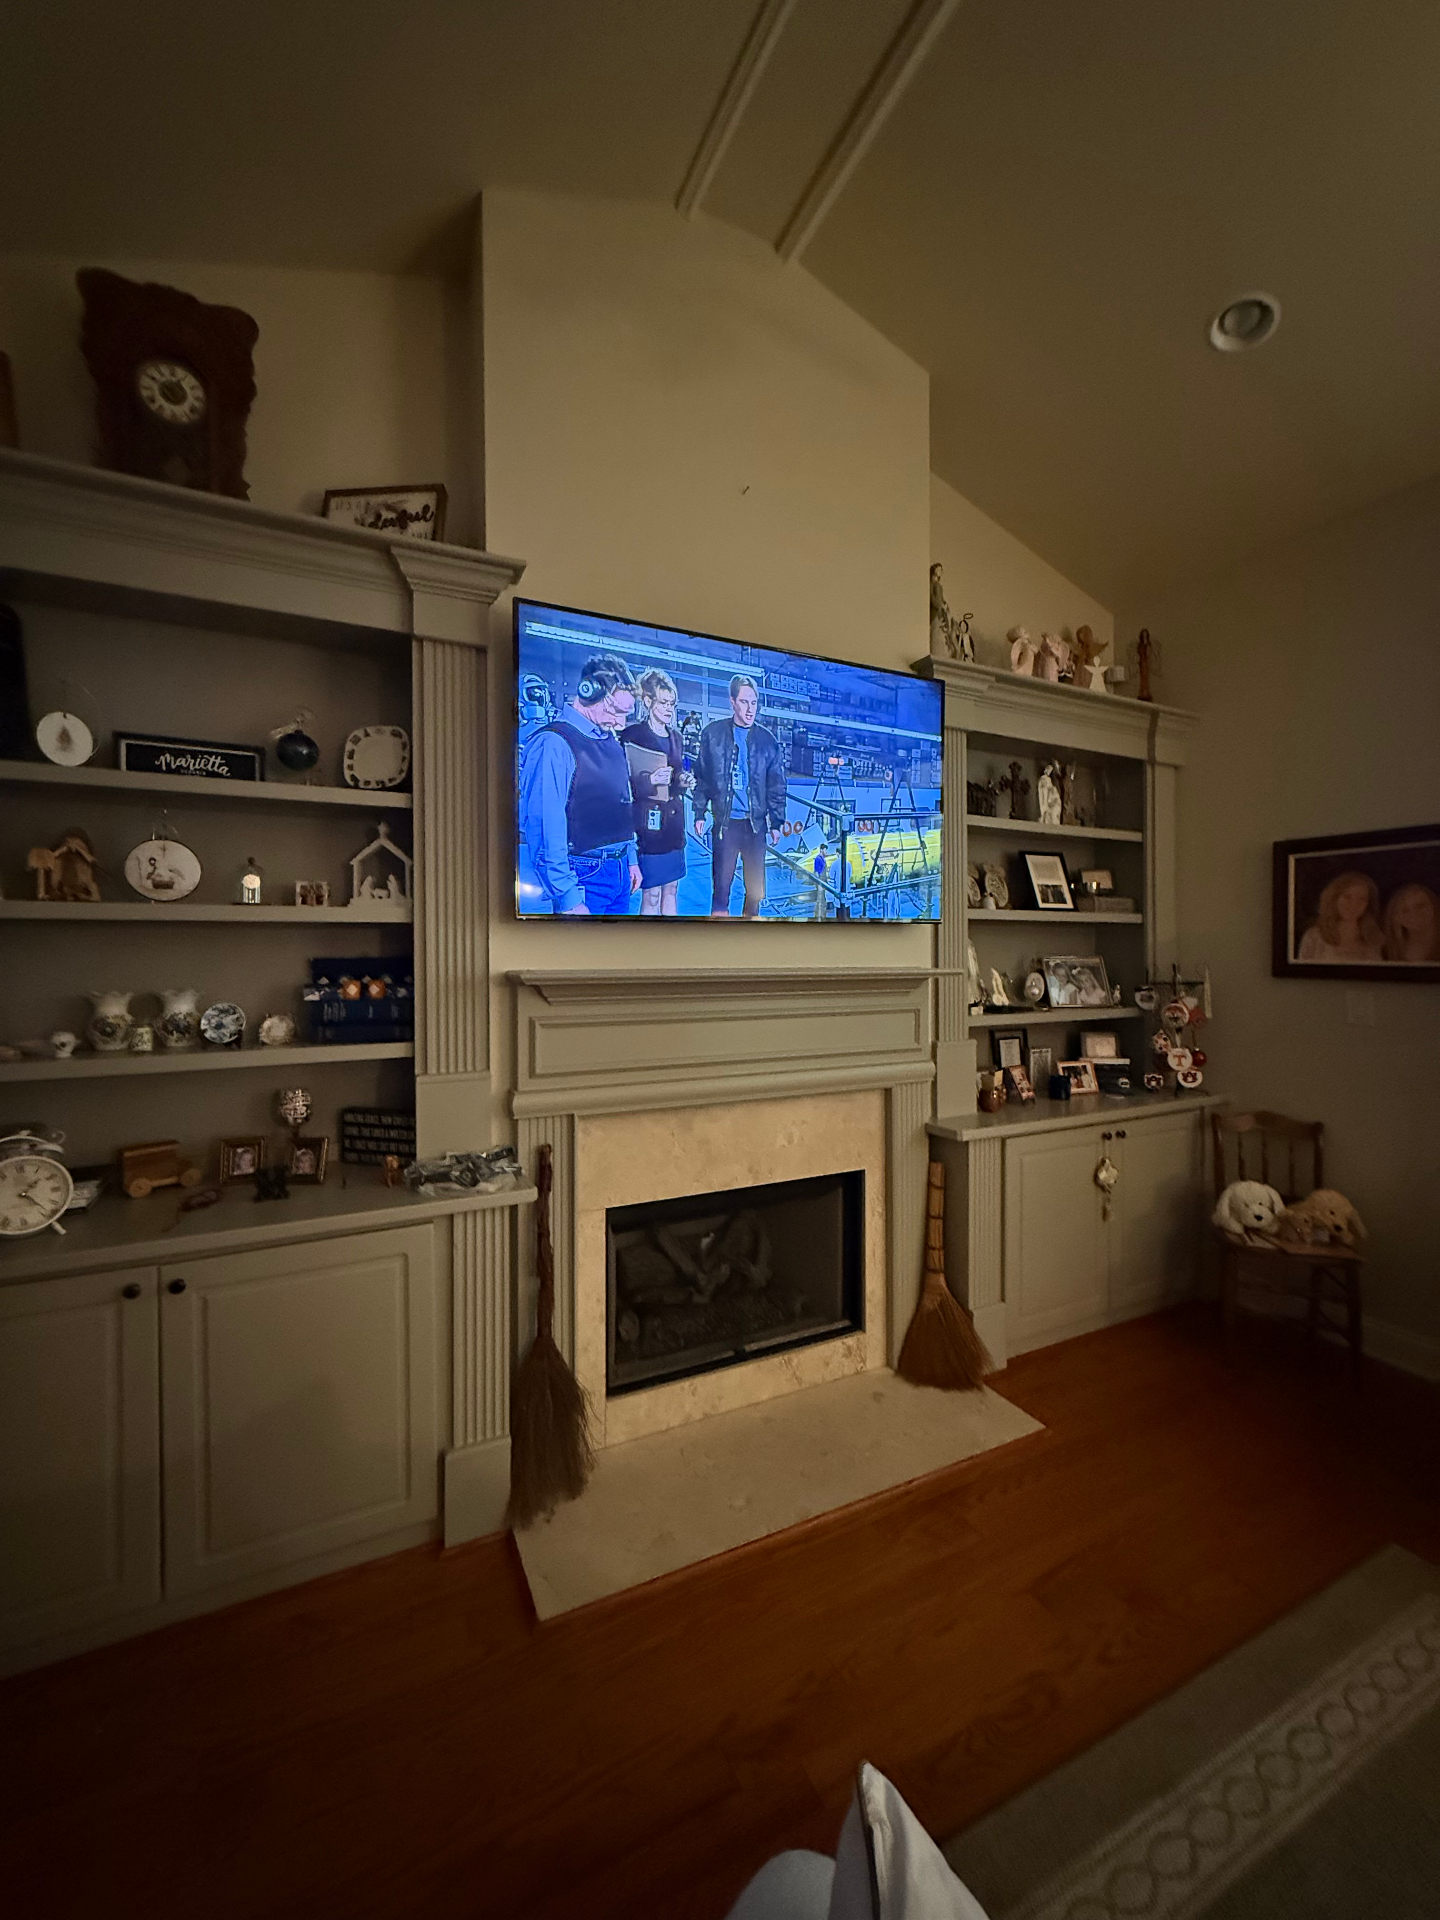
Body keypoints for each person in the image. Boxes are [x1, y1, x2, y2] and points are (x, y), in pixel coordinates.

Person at [518, 652, 642, 915]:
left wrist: (630, 858)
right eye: (616, 711)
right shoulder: (554, 744)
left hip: (619, 873)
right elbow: (544, 826)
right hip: (584, 877)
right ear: (589, 692)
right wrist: (566, 896)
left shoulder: (611, 741)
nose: (620, 723)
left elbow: (622, 803)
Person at [692, 674, 786, 918]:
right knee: (721, 888)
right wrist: (699, 812)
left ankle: (748, 942)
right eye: (744, 702)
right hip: (726, 825)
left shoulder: (768, 741)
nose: (750, 709)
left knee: (756, 892)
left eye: (754, 703)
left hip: (756, 827)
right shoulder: (712, 735)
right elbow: (702, 776)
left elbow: (776, 784)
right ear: (732, 702)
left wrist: (776, 822)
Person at [620, 668, 693, 916]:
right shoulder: (632, 735)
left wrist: (683, 779)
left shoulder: (676, 737)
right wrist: (649, 780)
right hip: (648, 828)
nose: (668, 708)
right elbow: (623, 783)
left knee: (671, 889)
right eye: (663, 702)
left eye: (671, 703)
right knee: (651, 894)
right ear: (648, 701)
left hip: (673, 826)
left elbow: (676, 772)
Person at [1297, 870, 1384, 962]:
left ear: (1368, 904)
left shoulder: (1374, 938)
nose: (1354, 904)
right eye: (1347, 897)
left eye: (1362, 899)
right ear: (1334, 898)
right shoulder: (1314, 937)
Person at [1381, 882, 1440, 963]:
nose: (1414, 913)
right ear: (1395, 918)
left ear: (1434, 906)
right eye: (1405, 910)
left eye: (1421, 906)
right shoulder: (1383, 953)